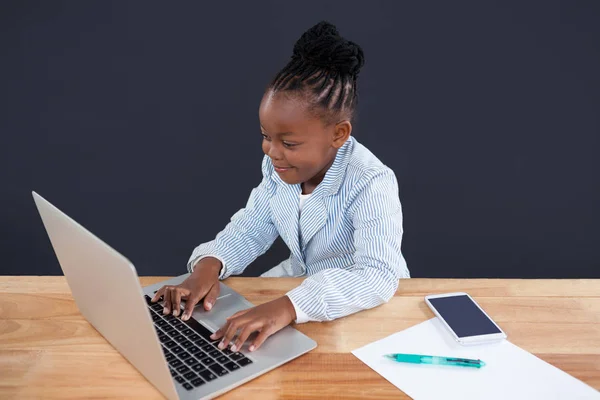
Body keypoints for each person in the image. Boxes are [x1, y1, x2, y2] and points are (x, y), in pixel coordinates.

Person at [152, 21, 409, 353]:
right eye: (265, 136)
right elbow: (253, 225)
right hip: (299, 287)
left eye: (288, 142)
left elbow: (376, 276)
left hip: (361, 303)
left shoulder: (371, 182)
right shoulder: (281, 168)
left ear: (338, 134)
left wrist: (287, 307)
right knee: (222, 331)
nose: (271, 151)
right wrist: (207, 266)